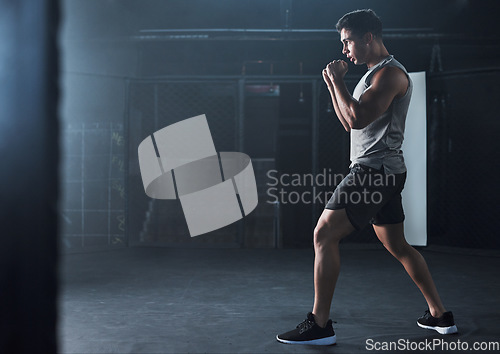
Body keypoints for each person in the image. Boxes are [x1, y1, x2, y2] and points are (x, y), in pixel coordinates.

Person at [276, 9, 457, 346]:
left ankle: (320, 325)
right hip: (382, 172)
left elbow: (357, 119)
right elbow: (348, 123)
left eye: (348, 42)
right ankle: (439, 315)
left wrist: (339, 81)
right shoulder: (373, 74)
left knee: (323, 235)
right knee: (399, 246)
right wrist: (332, 83)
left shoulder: (389, 76)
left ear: (368, 38)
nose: (345, 50)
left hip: (373, 173)